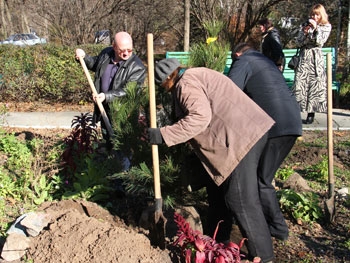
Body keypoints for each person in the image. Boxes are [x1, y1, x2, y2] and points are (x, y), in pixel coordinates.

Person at [148, 58, 277, 262]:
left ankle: (265, 256)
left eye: (163, 87)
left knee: (240, 198)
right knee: (220, 196)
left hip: (239, 140)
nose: (165, 91)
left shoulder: (185, 84)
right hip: (248, 132)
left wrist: (163, 135)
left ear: (167, 79)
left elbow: (199, 117)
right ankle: (216, 243)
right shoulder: (198, 73)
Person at [228, 43, 302, 244]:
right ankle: (269, 222)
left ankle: (278, 228)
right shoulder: (265, 62)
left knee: (262, 179)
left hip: (275, 127)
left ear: (236, 54)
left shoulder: (244, 61)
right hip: (292, 123)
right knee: (263, 177)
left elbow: (228, 92)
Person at [75, 31, 146, 152]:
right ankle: (110, 162)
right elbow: (94, 64)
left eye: (129, 50)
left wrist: (106, 96)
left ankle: (123, 167)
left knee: (122, 145)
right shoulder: (106, 54)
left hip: (123, 113)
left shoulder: (137, 67)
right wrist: (84, 57)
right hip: (104, 107)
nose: (126, 53)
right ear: (114, 46)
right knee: (107, 139)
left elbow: (129, 91)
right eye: (122, 50)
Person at [292, 4, 332, 124]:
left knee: (314, 86)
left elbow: (320, 41)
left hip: (316, 59)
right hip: (304, 58)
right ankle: (295, 112)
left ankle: (311, 113)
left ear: (321, 15)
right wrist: (304, 33)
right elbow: (298, 42)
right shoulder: (305, 25)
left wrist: (315, 29)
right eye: (313, 14)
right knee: (300, 84)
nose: (314, 16)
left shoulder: (326, 26)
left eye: (317, 14)